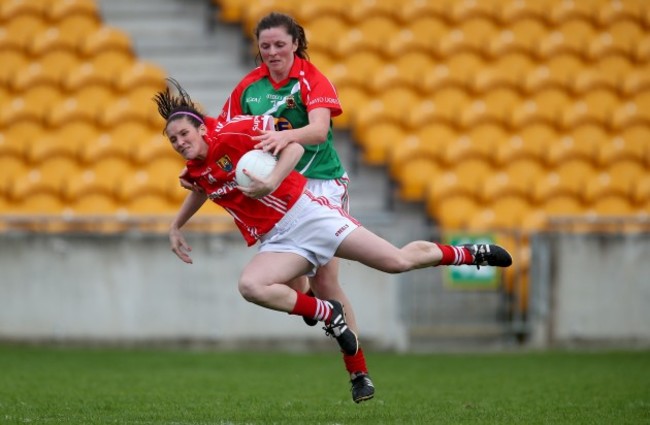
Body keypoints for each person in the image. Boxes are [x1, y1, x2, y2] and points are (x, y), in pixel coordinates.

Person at [155, 84, 514, 402]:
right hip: (278, 240)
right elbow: (203, 187)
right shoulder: (193, 170)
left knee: (396, 262)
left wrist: (272, 180)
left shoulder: (235, 131)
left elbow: (293, 145)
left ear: (201, 128)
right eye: (173, 140)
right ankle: (328, 314)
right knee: (252, 286)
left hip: (309, 215)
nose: (180, 143)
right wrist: (176, 226)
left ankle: (469, 253)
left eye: (184, 134)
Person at [181, 11, 379, 402]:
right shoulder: (247, 88)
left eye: (279, 45)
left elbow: (319, 131)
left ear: (295, 44)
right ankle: (315, 309)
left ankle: (358, 372)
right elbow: (219, 133)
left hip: (320, 184)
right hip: (277, 196)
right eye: (265, 45)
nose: (272, 52)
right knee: (296, 286)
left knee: (326, 282)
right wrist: (194, 169)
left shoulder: (312, 79)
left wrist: (275, 138)